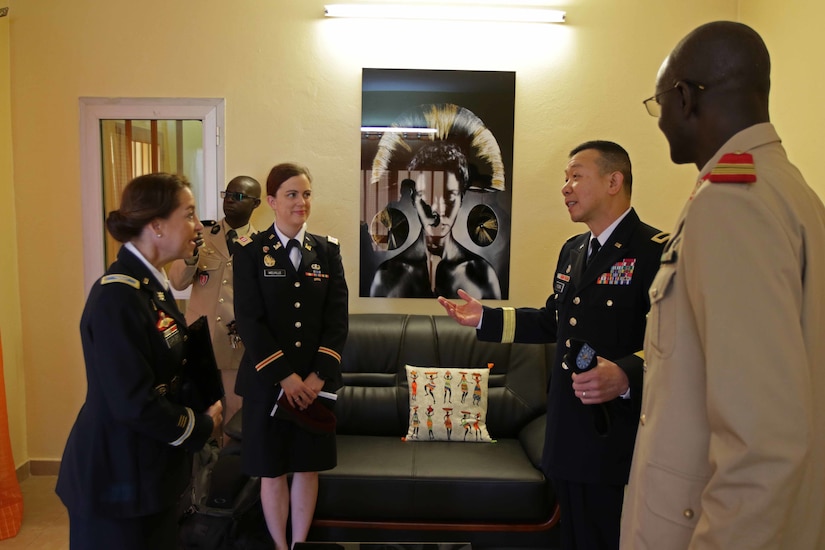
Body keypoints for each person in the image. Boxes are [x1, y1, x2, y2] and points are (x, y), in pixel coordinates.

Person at [622, 21, 825, 550]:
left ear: (685, 98)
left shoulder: (731, 202)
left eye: (659, 103)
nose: (660, 119)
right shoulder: (790, 192)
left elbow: (763, 444)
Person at [438, 140, 668, 550]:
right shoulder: (574, 250)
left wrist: (627, 373)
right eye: (566, 178)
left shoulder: (656, 253)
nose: (565, 187)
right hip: (566, 433)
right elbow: (553, 320)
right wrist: (485, 317)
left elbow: (679, 345)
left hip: (616, 435)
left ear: (614, 181)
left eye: (576, 176)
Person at [56, 173, 223, 550]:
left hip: (146, 470)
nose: (198, 226)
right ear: (157, 226)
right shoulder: (118, 296)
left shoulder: (150, 285)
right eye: (190, 214)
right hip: (116, 478)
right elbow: (133, 401)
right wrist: (200, 425)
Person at [233, 162, 348, 550]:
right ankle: (279, 546)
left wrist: (317, 378)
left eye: (307, 194)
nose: (302, 202)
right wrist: (285, 377)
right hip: (269, 382)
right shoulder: (250, 252)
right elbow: (250, 320)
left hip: (314, 384)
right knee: (272, 471)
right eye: (292, 194)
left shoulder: (327, 251)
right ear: (271, 201)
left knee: (307, 468)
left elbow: (337, 321)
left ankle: (299, 545)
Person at [169, 175, 261, 428]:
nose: (230, 200)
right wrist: (191, 255)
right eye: (228, 194)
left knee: (234, 415)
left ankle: (227, 466)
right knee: (197, 410)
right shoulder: (202, 236)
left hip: (237, 346)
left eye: (239, 196)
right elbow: (177, 283)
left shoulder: (262, 245)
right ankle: (201, 467)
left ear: (256, 204)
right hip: (200, 343)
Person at [369, 142, 502, 299]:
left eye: (450, 195)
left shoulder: (482, 275)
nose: (438, 208)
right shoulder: (387, 276)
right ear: (413, 198)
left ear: (461, 198)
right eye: (427, 194)